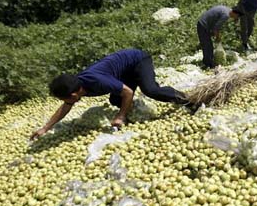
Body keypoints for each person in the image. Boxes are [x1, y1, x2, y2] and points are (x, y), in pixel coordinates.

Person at [30, 49, 191, 139]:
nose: (66, 102)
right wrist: (45, 128)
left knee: (150, 90)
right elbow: (65, 108)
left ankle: (188, 99)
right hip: (123, 72)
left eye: (65, 98)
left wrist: (121, 116)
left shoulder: (96, 81)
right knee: (115, 99)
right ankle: (131, 113)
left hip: (137, 60)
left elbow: (127, 92)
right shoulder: (76, 87)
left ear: (73, 95)